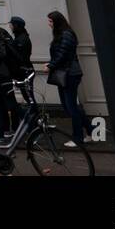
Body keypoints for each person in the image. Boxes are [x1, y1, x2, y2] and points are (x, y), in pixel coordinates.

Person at [45, 10, 86, 146]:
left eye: (51, 21)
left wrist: (51, 65)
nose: (49, 24)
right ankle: (91, 130)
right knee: (69, 106)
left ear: (57, 21)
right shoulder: (63, 34)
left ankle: (78, 138)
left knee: (71, 106)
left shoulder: (66, 34)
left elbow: (63, 53)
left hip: (69, 73)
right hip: (65, 73)